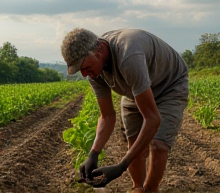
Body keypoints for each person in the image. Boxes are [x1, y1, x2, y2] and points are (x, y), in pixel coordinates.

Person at [61, 28, 189, 193]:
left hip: (169, 86)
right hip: (135, 90)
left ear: (99, 49)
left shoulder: (128, 55)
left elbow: (152, 119)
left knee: (158, 144)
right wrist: (93, 154)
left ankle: (151, 189)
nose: (85, 74)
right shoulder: (94, 73)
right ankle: (137, 187)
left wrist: (121, 166)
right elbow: (107, 116)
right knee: (134, 144)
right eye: (80, 70)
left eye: (85, 67)